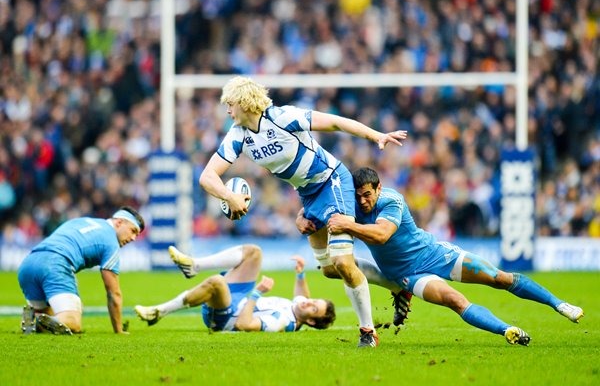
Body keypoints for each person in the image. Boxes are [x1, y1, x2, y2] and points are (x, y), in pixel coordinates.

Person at [198, 76, 407, 346]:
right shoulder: (238, 135)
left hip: (332, 182)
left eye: (230, 103)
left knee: (343, 262)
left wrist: (376, 135)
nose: (227, 110)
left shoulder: (283, 117)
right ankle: (398, 286)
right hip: (308, 195)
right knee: (330, 269)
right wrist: (229, 196)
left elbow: (335, 122)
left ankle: (368, 332)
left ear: (244, 102)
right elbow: (207, 176)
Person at [301, 167, 584, 346]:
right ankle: (508, 330)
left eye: (367, 195)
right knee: (454, 301)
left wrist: (348, 224)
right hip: (410, 275)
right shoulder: (351, 204)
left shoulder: (391, 200)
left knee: (499, 278)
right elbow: (315, 205)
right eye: (358, 197)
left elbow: (382, 235)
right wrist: (303, 218)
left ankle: (560, 305)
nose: (362, 202)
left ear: (378, 188)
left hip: (435, 254)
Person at [134, 244, 336, 332]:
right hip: (240, 299)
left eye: (313, 308)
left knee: (216, 282)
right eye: (314, 300)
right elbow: (302, 298)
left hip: (225, 317)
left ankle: (159, 311)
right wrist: (300, 274)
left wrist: (258, 293)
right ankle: (194, 266)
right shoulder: (299, 309)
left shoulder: (282, 322)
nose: (309, 301)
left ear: (309, 320)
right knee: (254, 252)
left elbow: (244, 325)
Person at [17, 206, 145, 335]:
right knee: (73, 322)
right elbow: (113, 293)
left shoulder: (83, 221)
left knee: (50, 320)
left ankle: (34, 317)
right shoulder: (111, 243)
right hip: (55, 264)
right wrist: (118, 330)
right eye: (133, 231)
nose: (133, 238)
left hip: (28, 264)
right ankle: (36, 319)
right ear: (119, 222)